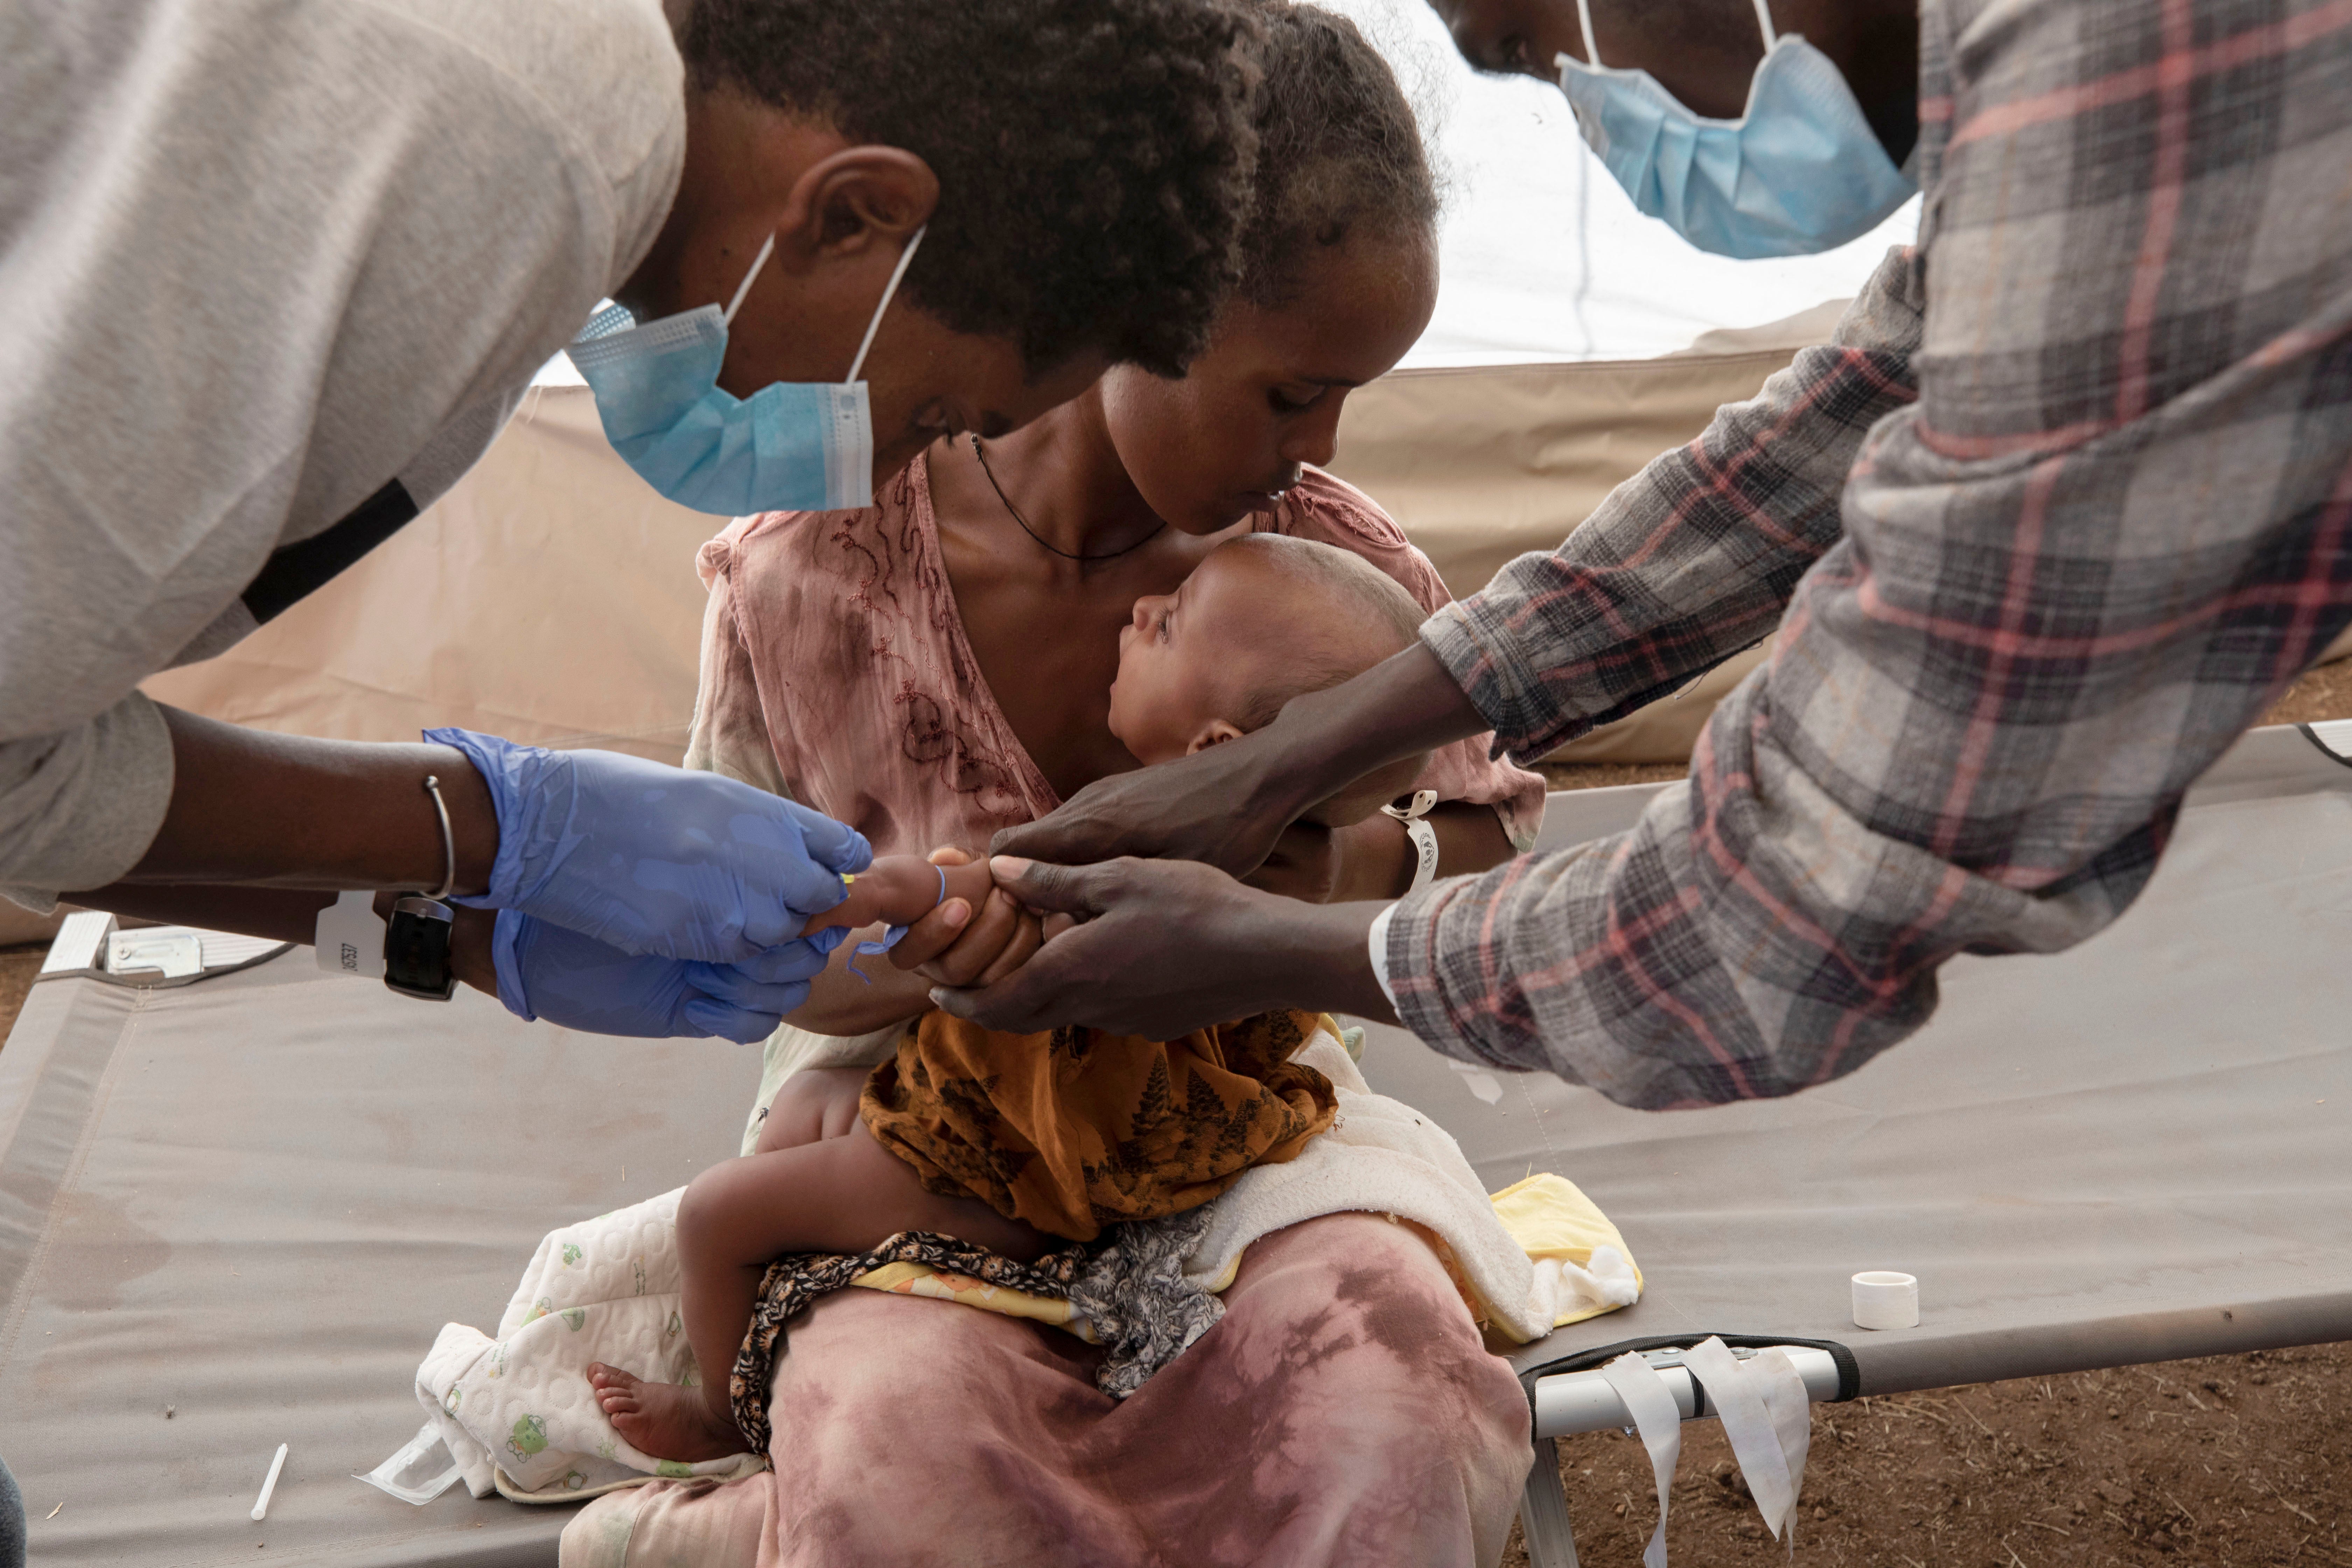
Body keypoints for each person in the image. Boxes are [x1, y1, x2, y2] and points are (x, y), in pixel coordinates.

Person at [944, 0, 2352, 1110]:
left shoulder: (2135, 76)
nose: (1587, 110)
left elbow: (1786, 908)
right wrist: (1283, 762)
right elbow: (1841, 427)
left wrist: (1267, 947)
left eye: (1527, 49)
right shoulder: (2059, 73)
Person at [626, 9, 1541, 1558]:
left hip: (1227, 1123)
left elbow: (1487, 838)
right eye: (1286, 390)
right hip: (924, 1136)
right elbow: (766, 961)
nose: (1317, 444)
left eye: (1348, 397)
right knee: (899, 1445)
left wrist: (1339, 872)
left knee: (1382, 1393)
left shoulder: (1333, 574)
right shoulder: (815, 577)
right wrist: (924, 963)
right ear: (1148, 307)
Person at [0, 0, 1258, 1044]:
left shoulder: (559, 129)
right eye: (930, 413)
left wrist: (456, 923)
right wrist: (500, 822)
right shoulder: (509, 142)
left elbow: (35, 750)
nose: (877, 476)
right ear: (850, 213)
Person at [589, 535, 1435, 1464]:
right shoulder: (1241, 859)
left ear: (1218, 749)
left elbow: (1014, 908)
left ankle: (728, 1418)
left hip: (1015, 1158)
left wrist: (907, 893)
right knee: (808, 1105)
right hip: (1014, 1107)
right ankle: (828, 1235)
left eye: (1174, 620)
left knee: (715, 1216)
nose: (1144, 606)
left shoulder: (1157, 847)